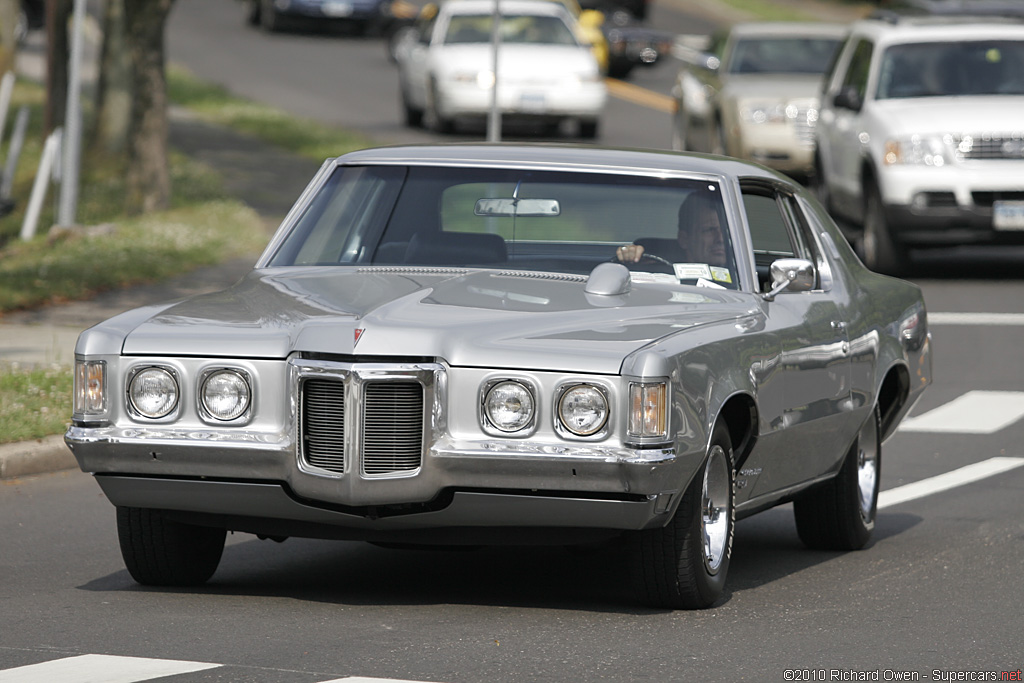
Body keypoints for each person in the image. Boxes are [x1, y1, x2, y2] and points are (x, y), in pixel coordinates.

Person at [615, 189, 730, 267]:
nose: (720, 239)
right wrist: (629, 259)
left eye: (725, 231)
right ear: (684, 239)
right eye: (709, 230)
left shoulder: (746, 279)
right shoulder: (656, 272)